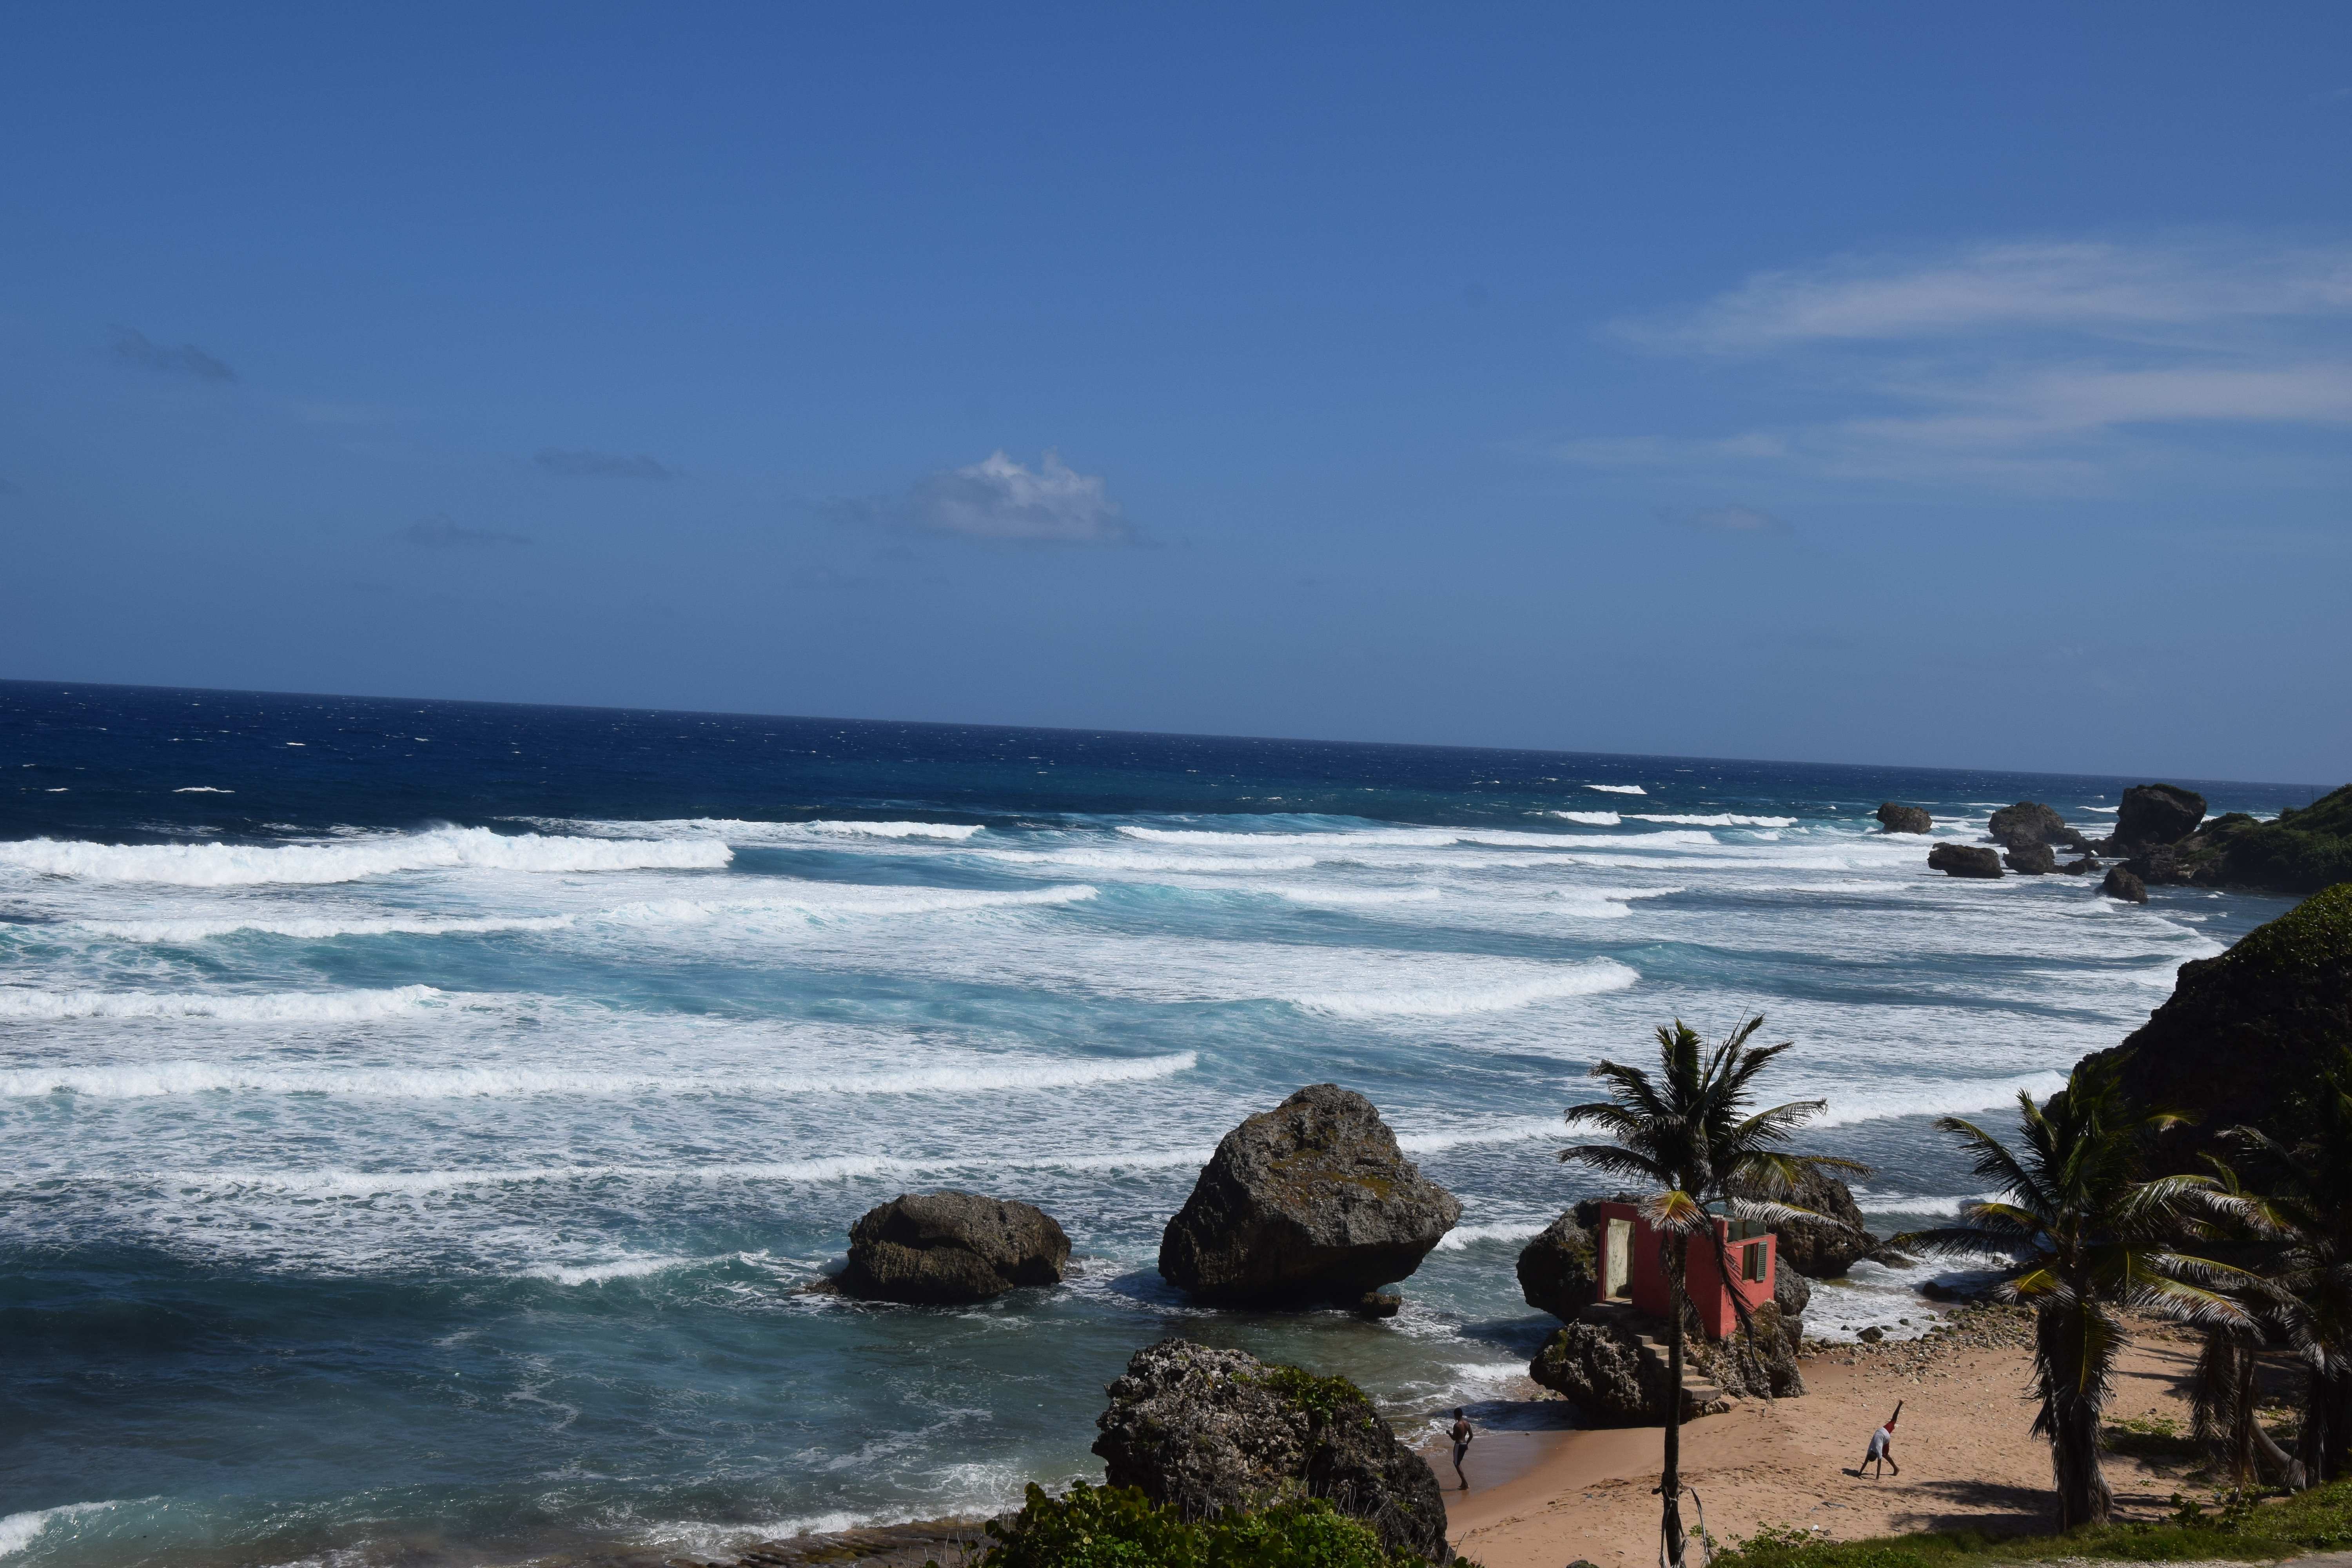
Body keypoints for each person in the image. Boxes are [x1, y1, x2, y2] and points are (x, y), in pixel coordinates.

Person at [1861, 1401, 1902, 1479]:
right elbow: (1865, 1463)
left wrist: (1877, 1478)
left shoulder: (1878, 1451)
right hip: (1881, 1431)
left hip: (1885, 1435)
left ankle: (1900, 1405)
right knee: (1885, 1455)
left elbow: (1879, 1466)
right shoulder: (1870, 1451)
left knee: (1894, 1420)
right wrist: (1860, 1473)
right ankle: (1896, 1468)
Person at [1449, 1407, 1474, 1490]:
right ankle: (1463, 1484)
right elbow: (1471, 1435)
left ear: (1457, 1415)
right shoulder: (1467, 1424)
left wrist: (1449, 1433)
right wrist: (1467, 1443)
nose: (1454, 1417)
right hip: (1464, 1444)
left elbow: (1454, 1438)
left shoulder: (1457, 1426)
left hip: (1459, 1445)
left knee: (1457, 1464)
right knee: (1458, 1463)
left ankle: (1466, 1483)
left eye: (1454, 1415)